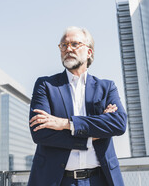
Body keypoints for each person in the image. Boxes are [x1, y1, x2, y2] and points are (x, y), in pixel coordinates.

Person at [28, 26, 127, 186]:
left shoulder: (107, 87)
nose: (68, 49)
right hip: (56, 181)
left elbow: (118, 124)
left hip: (100, 180)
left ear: (89, 52)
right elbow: (40, 133)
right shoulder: (46, 85)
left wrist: (66, 124)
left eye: (75, 44)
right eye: (63, 45)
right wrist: (94, 131)